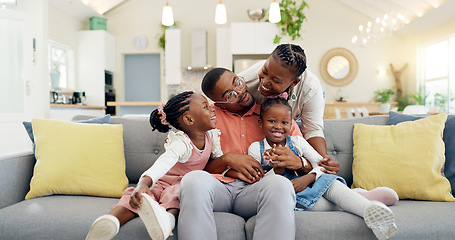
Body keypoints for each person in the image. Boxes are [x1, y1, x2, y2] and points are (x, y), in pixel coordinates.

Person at [178, 68, 309, 240]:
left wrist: (300, 162)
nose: (240, 92)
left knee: (280, 184)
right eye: (229, 95)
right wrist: (227, 159)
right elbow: (198, 165)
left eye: (237, 82)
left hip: (256, 190)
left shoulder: (275, 114)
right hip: (220, 190)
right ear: (217, 103)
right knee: (192, 180)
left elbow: (312, 161)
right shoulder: (207, 116)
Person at [248, 97, 398, 239]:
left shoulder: (298, 142)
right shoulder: (256, 149)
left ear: (291, 124)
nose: (278, 126)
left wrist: (307, 178)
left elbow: (322, 166)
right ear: (261, 123)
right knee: (316, 205)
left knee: (330, 183)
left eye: (285, 122)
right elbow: (256, 184)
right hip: (292, 197)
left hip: (311, 184)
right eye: (272, 121)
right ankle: (358, 196)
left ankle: (369, 210)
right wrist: (277, 171)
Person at [86, 91, 222, 240]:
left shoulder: (212, 136)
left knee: (176, 194)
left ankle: (165, 221)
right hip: (161, 181)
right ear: (189, 119)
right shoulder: (181, 142)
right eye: (206, 107)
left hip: (183, 185)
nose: (212, 109)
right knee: (136, 196)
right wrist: (142, 184)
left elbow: (219, 160)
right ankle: (111, 221)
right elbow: (162, 164)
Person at [240, 43, 333, 168]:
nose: (265, 81)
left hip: (293, 121)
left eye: (275, 80)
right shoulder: (246, 81)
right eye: (264, 71)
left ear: (294, 82)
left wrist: (323, 163)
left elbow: (312, 129)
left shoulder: (311, 88)